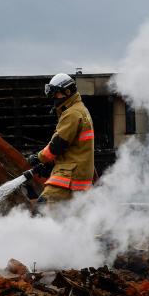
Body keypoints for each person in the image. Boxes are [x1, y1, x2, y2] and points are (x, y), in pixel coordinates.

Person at [27, 72, 95, 205]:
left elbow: (57, 145)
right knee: (65, 217)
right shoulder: (80, 110)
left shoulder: (72, 114)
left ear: (67, 92)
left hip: (69, 175)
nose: (54, 98)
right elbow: (72, 147)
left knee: (43, 207)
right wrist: (50, 164)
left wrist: (38, 158)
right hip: (77, 174)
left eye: (56, 94)